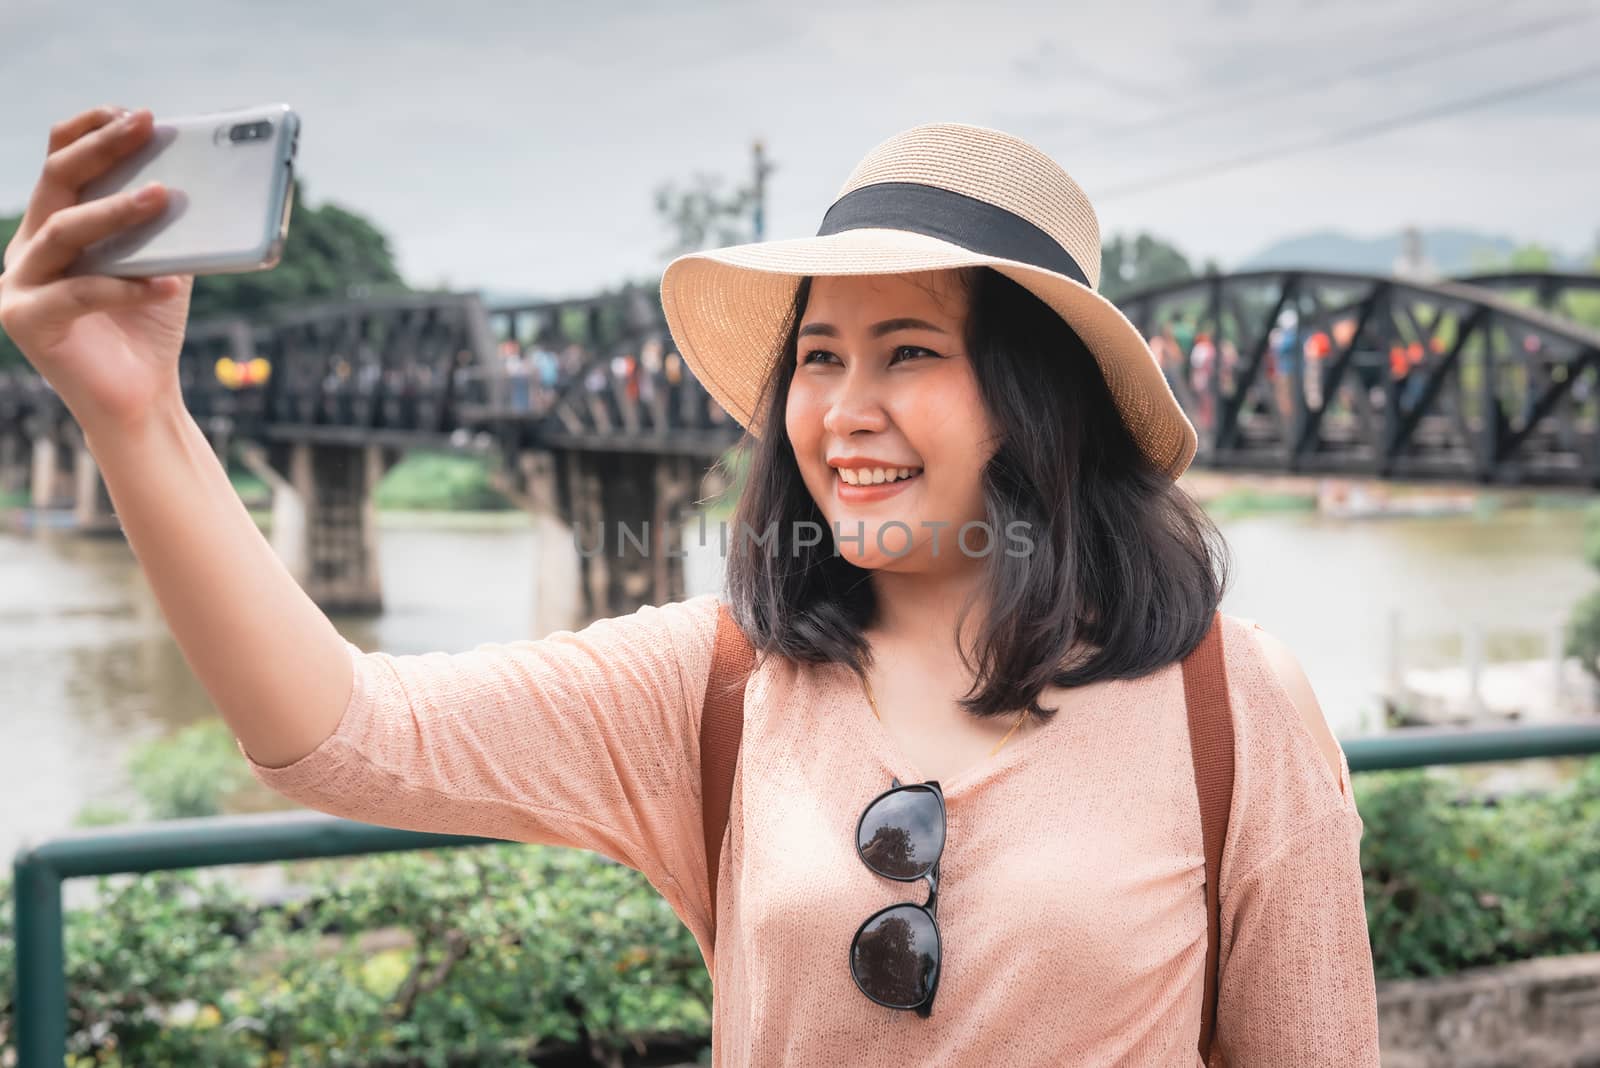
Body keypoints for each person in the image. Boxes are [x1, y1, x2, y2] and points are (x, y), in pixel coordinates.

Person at [0, 110, 1379, 1067]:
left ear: (1039, 401)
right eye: (818, 359)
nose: (843, 410)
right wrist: (138, 416)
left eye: (908, 352)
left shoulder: (1230, 706)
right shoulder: (718, 687)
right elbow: (341, 732)